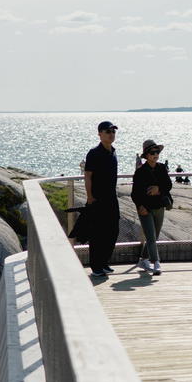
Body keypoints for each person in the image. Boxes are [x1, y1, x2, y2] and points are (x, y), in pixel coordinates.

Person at [84, 120, 120, 280]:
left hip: (112, 197)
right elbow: (88, 176)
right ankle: (96, 266)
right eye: (108, 131)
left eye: (113, 131)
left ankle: (104, 262)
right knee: (97, 233)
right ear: (100, 134)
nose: (111, 134)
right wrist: (89, 196)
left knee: (113, 231)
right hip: (98, 198)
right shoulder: (94, 153)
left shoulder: (113, 151)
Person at [131, 139, 172, 276]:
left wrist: (158, 190)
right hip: (145, 209)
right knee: (151, 236)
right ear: (146, 155)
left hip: (159, 207)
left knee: (154, 236)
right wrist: (140, 206)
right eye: (152, 152)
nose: (156, 154)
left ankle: (143, 259)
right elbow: (134, 193)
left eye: (157, 152)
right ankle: (156, 263)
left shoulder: (161, 168)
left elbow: (168, 185)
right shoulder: (140, 172)